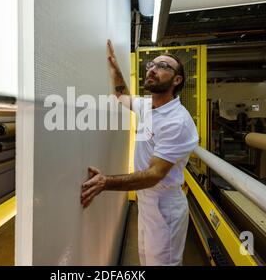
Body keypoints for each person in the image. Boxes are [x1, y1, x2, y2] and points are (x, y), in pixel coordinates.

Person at [80, 39, 199, 266]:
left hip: (164, 208)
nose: (153, 69)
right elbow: (122, 96)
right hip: (146, 203)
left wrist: (106, 182)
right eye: (152, 65)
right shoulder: (148, 105)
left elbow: (154, 174)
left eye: (163, 66)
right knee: (146, 261)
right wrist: (115, 69)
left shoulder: (177, 121)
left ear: (177, 80)